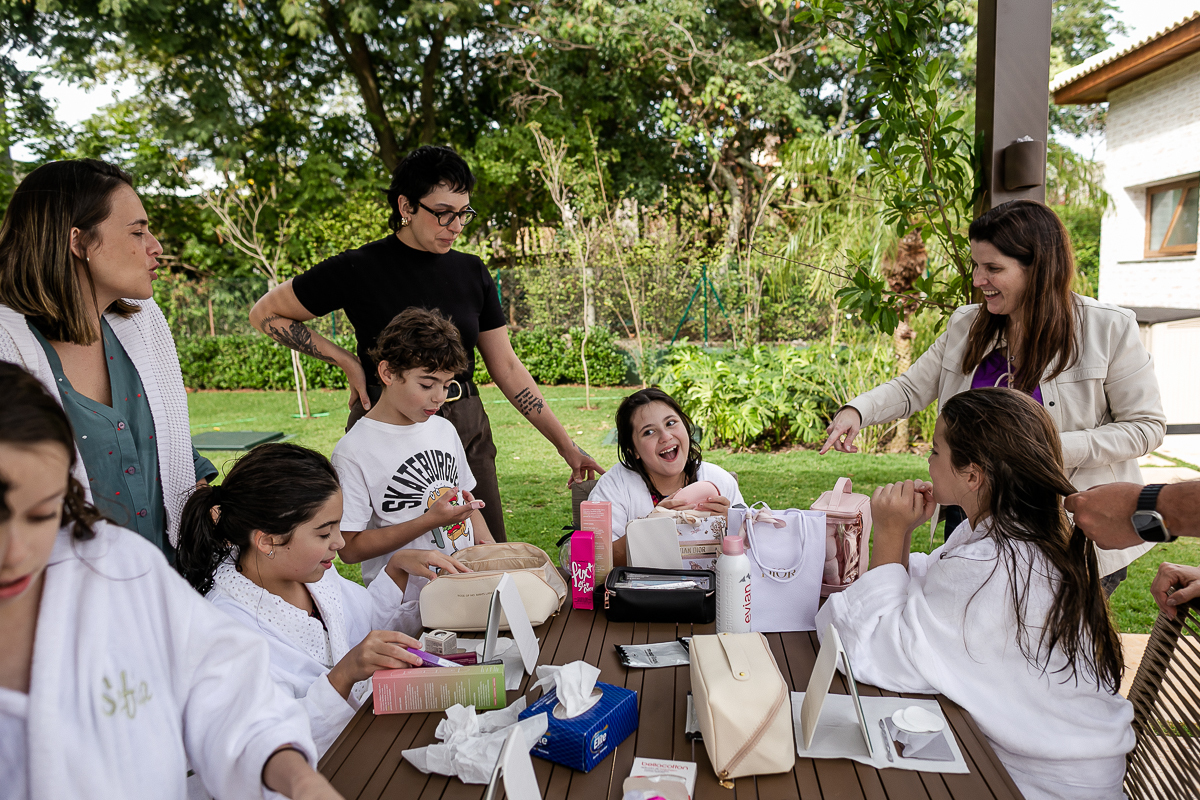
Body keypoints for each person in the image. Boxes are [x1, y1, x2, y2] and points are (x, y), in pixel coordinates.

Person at [0, 362, 341, 800]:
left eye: (43, 513)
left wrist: (300, 780)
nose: (16, 552)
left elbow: (225, 690)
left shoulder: (115, 570)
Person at [249, 145, 604, 542]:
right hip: (386, 429)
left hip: (465, 423)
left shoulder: (472, 271)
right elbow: (265, 314)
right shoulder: (358, 267)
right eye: (443, 212)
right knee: (400, 550)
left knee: (486, 549)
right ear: (406, 205)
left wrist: (565, 446)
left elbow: (506, 366)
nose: (455, 225)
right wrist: (348, 362)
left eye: (463, 213)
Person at [821, 199, 1165, 592]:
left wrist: (1049, 450)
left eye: (993, 268)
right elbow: (912, 387)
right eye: (975, 265)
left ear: (1037, 269)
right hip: (973, 518)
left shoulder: (1109, 328)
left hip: (1066, 527)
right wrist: (857, 411)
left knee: (1049, 650)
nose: (978, 279)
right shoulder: (967, 325)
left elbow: (1146, 427)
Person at [816, 388, 1133, 800]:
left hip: (1031, 785)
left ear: (972, 474)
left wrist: (891, 533)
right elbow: (922, 592)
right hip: (1048, 764)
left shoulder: (991, 564)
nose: (927, 463)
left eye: (935, 451)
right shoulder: (1009, 533)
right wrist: (902, 538)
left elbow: (872, 653)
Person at [175, 443, 465, 754]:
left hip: (370, 745)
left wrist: (397, 572)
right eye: (324, 533)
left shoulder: (315, 576)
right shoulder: (227, 632)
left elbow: (366, 632)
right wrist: (343, 675)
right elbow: (262, 749)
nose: (339, 543)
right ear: (267, 540)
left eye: (338, 527)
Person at [0, 159, 217, 560]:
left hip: (170, 584)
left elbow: (169, 446)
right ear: (78, 242)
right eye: (138, 231)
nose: (156, 247)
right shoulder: (7, 349)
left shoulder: (142, 325)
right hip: (68, 600)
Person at [331, 308, 494, 589]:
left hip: (464, 589)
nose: (439, 397)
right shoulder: (353, 451)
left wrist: (490, 549)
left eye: (446, 384)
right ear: (388, 372)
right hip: (402, 606)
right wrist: (429, 521)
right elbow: (349, 548)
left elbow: (467, 505)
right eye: (427, 383)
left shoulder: (443, 429)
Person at [588, 388, 744, 567]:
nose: (665, 436)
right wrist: (649, 528)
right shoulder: (614, 487)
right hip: (641, 594)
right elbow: (597, 561)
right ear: (634, 450)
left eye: (671, 423)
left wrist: (732, 526)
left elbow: (752, 550)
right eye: (648, 432)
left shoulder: (719, 481)